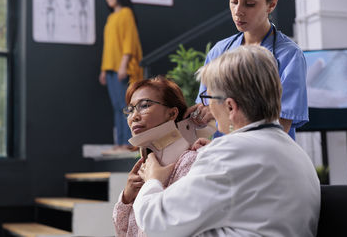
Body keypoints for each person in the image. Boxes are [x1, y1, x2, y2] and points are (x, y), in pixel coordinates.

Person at [132, 45, 320, 237]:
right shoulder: (295, 152)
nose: (208, 107)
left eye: (209, 97)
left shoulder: (230, 154)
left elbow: (156, 221)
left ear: (230, 106)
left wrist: (153, 180)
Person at [191, 0, 308, 140]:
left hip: (265, 156)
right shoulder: (218, 51)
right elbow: (206, 111)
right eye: (233, 1)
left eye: (249, 3)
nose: (238, 11)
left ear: (271, 4)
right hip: (223, 156)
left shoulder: (289, 56)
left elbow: (280, 126)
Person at [112, 76, 199, 237]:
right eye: (130, 110)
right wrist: (126, 198)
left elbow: (173, 226)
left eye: (144, 106)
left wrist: (155, 183)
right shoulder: (143, 167)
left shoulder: (191, 161)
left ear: (172, 113)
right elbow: (124, 233)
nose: (134, 117)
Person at [99, 0, 143, 153]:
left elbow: (129, 41)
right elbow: (108, 46)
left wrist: (124, 64)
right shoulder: (110, 18)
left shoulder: (126, 13)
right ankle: (120, 142)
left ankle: (129, 141)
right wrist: (104, 69)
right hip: (110, 68)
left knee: (126, 105)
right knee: (117, 106)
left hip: (121, 68)